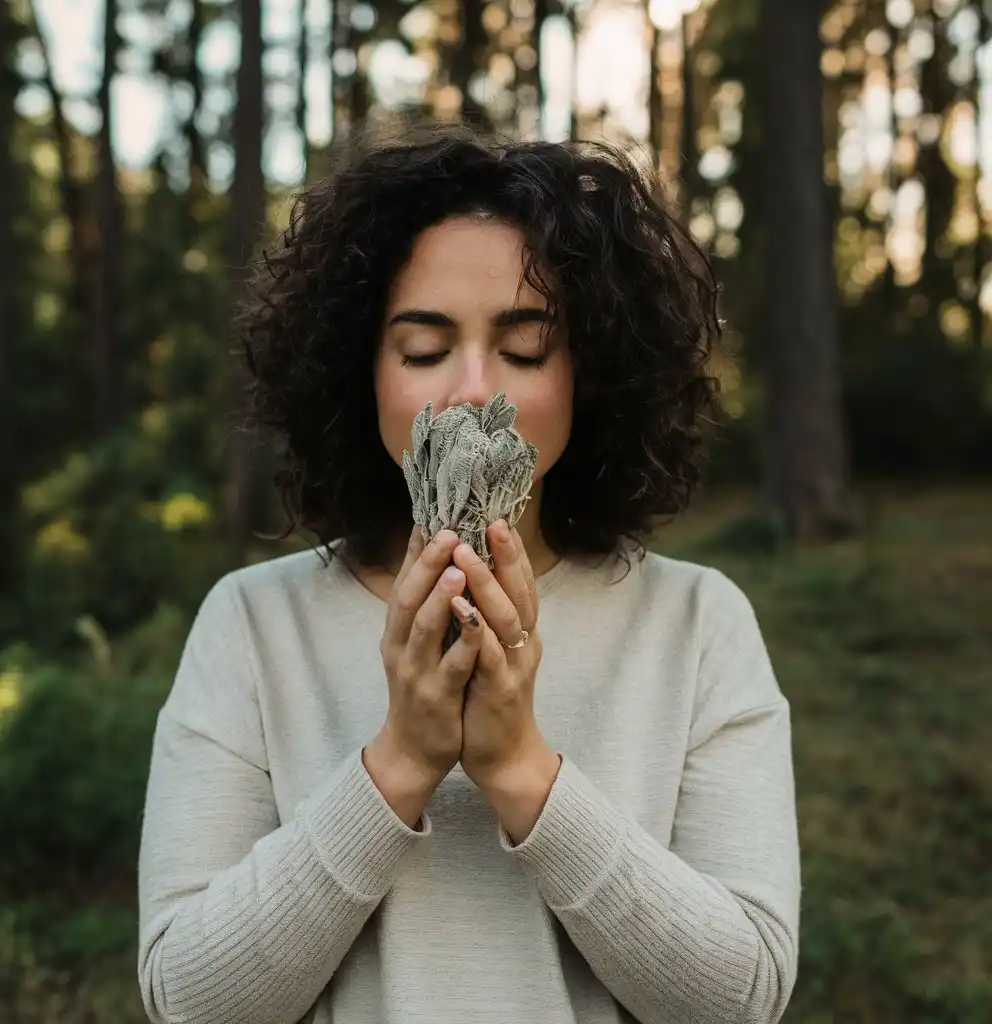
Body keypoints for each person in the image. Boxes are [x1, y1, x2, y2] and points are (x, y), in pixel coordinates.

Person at [137, 125, 800, 1024]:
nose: (472, 391)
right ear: (360, 373)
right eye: (422, 350)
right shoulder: (253, 626)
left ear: (590, 373)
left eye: (525, 348)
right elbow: (187, 1001)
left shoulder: (697, 624)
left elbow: (744, 999)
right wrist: (400, 759)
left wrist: (521, 766)